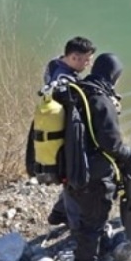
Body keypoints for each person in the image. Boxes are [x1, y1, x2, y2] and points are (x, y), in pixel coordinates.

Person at [59, 53, 131, 261]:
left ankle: (98, 242)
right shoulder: (100, 98)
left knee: (83, 210)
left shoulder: (76, 91)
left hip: (71, 165)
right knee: (93, 222)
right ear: (112, 76)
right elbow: (111, 144)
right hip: (93, 173)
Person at [25, 36, 96, 227]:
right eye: (86, 59)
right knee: (72, 181)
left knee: (70, 180)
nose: (88, 63)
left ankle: (58, 213)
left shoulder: (54, 65)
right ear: (73, 57)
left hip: (55, 136)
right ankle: (77, 228)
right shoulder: (64, 81)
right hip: (64, 139)